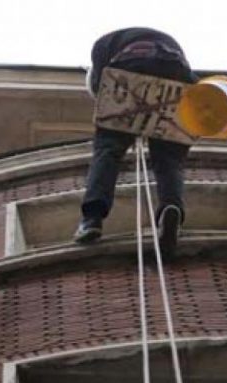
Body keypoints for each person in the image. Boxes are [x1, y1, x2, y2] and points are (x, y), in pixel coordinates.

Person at [75, 27, 195, 257]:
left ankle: (92, 219)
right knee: (169, 158)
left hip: (131, 64)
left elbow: (105, 85)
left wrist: (123, 125)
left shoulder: (102, 45)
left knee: (107, 149)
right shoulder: (160, 39)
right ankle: (171, 207)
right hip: (177, 72)